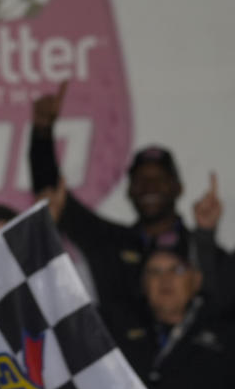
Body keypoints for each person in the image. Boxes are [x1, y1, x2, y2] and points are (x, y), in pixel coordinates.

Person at [29, 81, 230, 321]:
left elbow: (222, 307)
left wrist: (205, 234)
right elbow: (53, 196)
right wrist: (42, 132)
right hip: (118, 356)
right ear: (129, 192)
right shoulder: (108, 242)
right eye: (141, 181)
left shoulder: (201, 250)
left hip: (191, 358)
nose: (150, 187)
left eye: (159, 180)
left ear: (178, 188)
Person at [107, 234, 235, 389]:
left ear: (196, 280)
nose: (165, 279)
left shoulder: (226, 336)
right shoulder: (117, 332)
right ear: (143, 285)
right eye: (154, 272)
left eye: (176, 270)